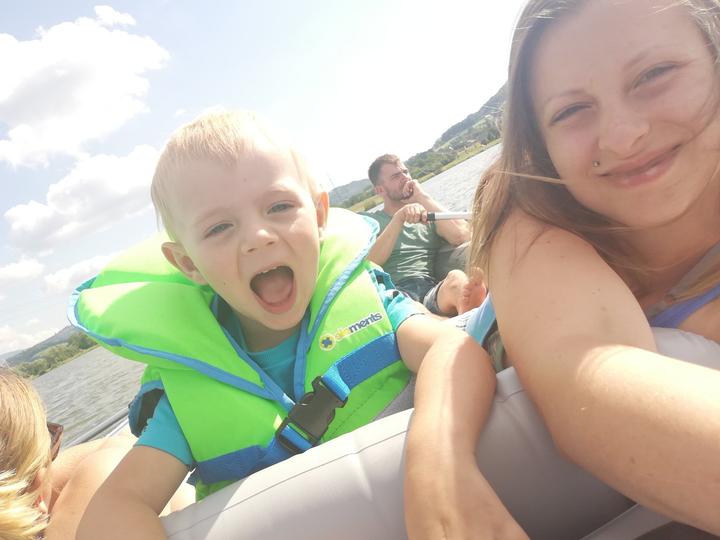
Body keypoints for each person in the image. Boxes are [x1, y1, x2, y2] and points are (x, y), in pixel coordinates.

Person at [74, 110, 493, 539]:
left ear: (319, 215)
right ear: (188, 264)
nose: (259, 237)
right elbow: (113, 509)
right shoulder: (186, 399)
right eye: (219, 228)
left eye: (279, 206)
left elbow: (451, 350)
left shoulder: (375, 303)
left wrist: (439, 461)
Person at [405, 0, 720, 537]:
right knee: (428, 328)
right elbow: (590, 383)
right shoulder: (527, 210)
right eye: (572, 110)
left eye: (655, 74)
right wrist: (436, 461)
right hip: (469, 339)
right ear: (541, 145)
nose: (622, 135)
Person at [0, 369, 191, 540]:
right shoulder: (100, 473)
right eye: (52, 440)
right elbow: (112, 460)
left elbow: (113, 444)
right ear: (37, 498)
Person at [363, 154, 486, 316]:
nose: (405, 177)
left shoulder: (426, 214)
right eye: (396, 176)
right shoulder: (371, 222)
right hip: (399, 296)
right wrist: (399, 218)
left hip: (429, 289)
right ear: (380, 190)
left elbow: (462, 236)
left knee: (456, 279)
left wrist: (421, 197)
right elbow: (371, 261)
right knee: (417, 308)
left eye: (405, 172)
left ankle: (472, 320)